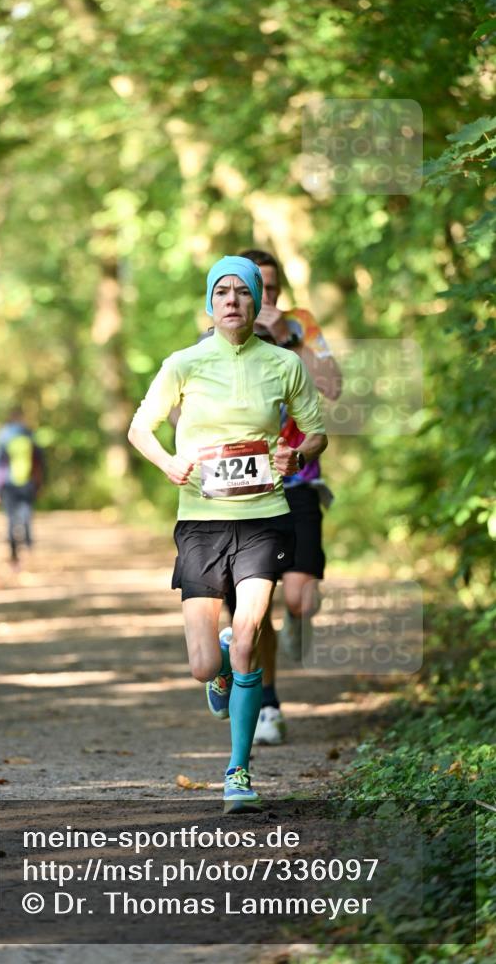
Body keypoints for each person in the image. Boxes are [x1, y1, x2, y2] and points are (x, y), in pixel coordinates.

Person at [128, 256, 327, 812]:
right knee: (205, 665)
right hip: (201, 521)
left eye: (243, 292)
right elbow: (139, 427)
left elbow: (317, 433)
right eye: (223, 292)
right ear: (209, 304)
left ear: (258, 301)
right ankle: (218, 668)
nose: (233, 300)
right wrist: (168, 463)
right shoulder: (184, 363)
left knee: (248, 638)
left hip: (265, 517)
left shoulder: (284, 364)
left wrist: (295, 451)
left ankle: (237, 773)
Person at [219, 249, 342, 745]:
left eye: (270, 289)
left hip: (299, 483)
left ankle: (300, 616)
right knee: (254, 606)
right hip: (245, 493)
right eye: (253, 287)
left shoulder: (301, 325)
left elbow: (332, 387)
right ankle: (267, 703)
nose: (262, 297)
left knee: (299, 599)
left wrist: (289, 337)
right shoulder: (223, 328)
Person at [0, 407, 46, 568]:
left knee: (11, 521)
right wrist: (41, 483)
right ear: (22, 419)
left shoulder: (3, 437)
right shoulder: (30, 435)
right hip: (28, 483)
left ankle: (14, 558)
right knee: (26, 517)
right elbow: (41, 463)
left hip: (8, 485)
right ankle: (30, 551)